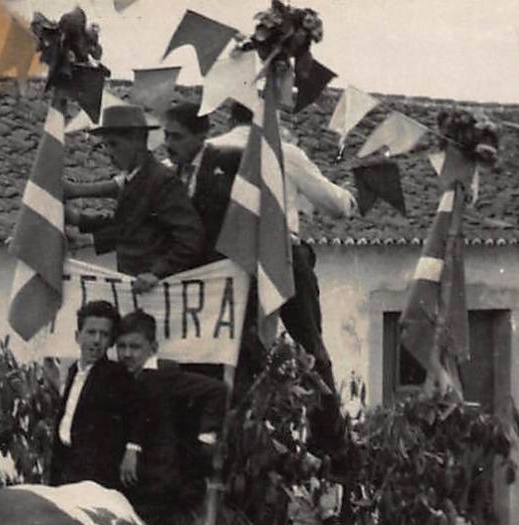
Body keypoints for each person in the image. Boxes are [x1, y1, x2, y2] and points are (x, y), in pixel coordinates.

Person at [213, 100, 354, 448]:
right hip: (283, 256)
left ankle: (238, 429)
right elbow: (336, 205)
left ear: (231, 115)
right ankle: (330, 440)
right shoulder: (284, 150)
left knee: (238, 348)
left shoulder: (212, 148)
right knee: (310, 347)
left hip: (228, 257)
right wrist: (351, 197)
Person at [114, 309, 227, 525]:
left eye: (135, 347)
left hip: (158, 487)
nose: (127, 355)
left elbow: (216, 391)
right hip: (132, 488)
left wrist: (205, 439)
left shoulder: (163, 378)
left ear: (153, 347)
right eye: (121, 347)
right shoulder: (124, 380)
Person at [64, 104, 207, 294]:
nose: (108, 152)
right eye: (105, 145)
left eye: (114, 144)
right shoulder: (136, 178)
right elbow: (129, 226)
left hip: (156, 288)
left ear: (138, 140)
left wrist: (157, 273)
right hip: (136, 283)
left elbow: (191, 236)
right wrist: (78, 221)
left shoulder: (161, 180)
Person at [49, 300, 135, 488]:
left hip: (94, 477)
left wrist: (132, 449)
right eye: (91, 332)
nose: (96, 341)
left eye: (104, 334)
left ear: (111, 341)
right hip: (65, 467)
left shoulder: (117, 376)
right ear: (78, 336)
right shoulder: (73, 371)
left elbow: (134, 418)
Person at [161, 102, 239, 260]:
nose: (168, 144)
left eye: (177, 137)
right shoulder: (172, 170)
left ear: (201, 137)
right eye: (166, 135)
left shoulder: (228, 163)